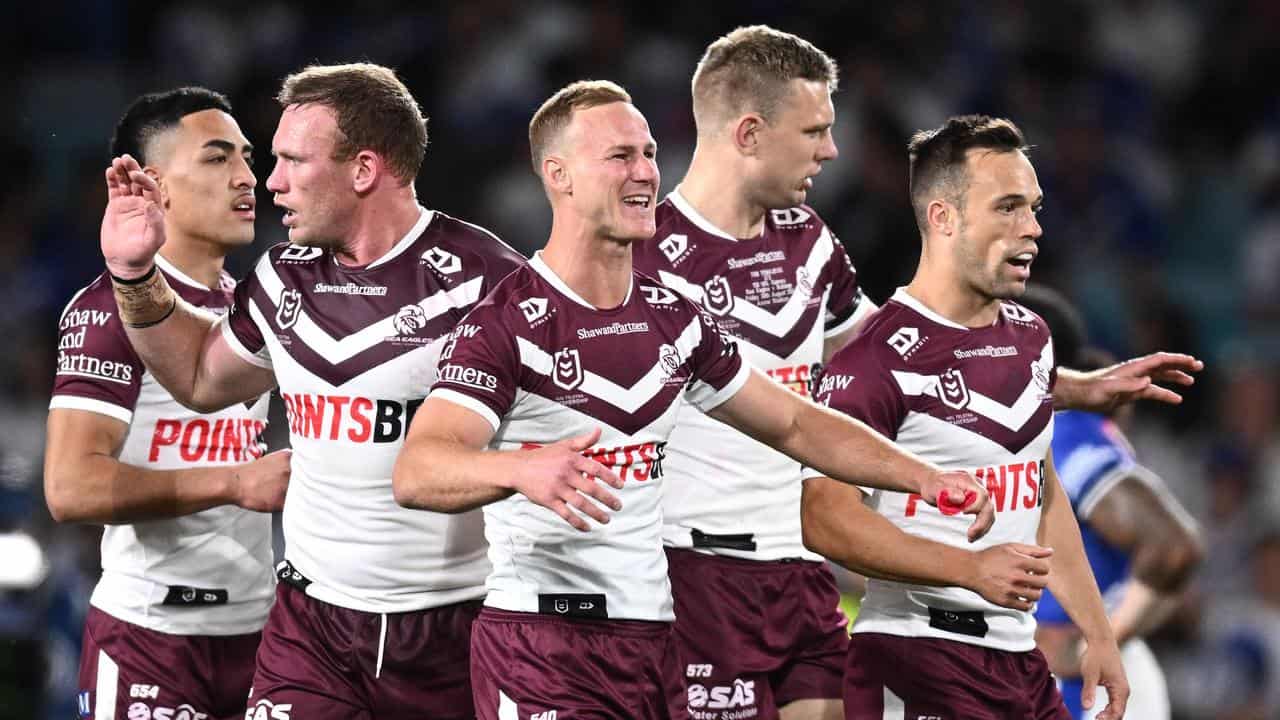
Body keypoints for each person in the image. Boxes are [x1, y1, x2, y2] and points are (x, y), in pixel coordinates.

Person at [632, 25, 1205, 720]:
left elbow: (907, 359)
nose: (831, 150)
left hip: (801, 572)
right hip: (695, 568)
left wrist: (1074, 387)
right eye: (814, 130)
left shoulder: (810, 242)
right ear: (749, 133)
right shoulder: (640, 260)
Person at [391, 80, 995, 720]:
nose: (646, 172)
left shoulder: (672, 318)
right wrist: (518, 469)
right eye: (620, 156)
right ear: (559, 175)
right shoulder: (506, 323)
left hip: (656, 643)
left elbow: (793, 423)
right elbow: (419, 467)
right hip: (546, 647)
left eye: (650, 154)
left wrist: (922, 477)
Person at [97, 65, 526, 719]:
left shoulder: (488, 283)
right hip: (310, 632)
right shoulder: (280, 279)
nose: (270, 184)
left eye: (293, 162)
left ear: (362, 172)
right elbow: (197, 378)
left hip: (451, 634)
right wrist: (135, 276)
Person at [803, 115, 1140, 720]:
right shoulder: (876, 357)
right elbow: (824, 518)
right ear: (943, 217)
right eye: (1008, 207)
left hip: (1018, 660)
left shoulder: (1032, 337)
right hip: (916, 655)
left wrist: (1100, 633)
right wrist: (968, 567)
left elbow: (1040, 496)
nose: (1032, 228)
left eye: (1033, 208)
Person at [46, 87, 290, 720]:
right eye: (216, 159)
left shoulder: (253, 307)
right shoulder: (107, 310)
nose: (247, 177)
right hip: (150, 638)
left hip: (263, 637)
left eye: (246, 157)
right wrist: (233, 482)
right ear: (155, 186)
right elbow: (70, 487)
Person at [1019, 285, 1202, 720]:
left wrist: (1096, 642)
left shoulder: (1061, 429)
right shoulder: (1033, 433)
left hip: (1089, 691)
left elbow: (1174, 547)